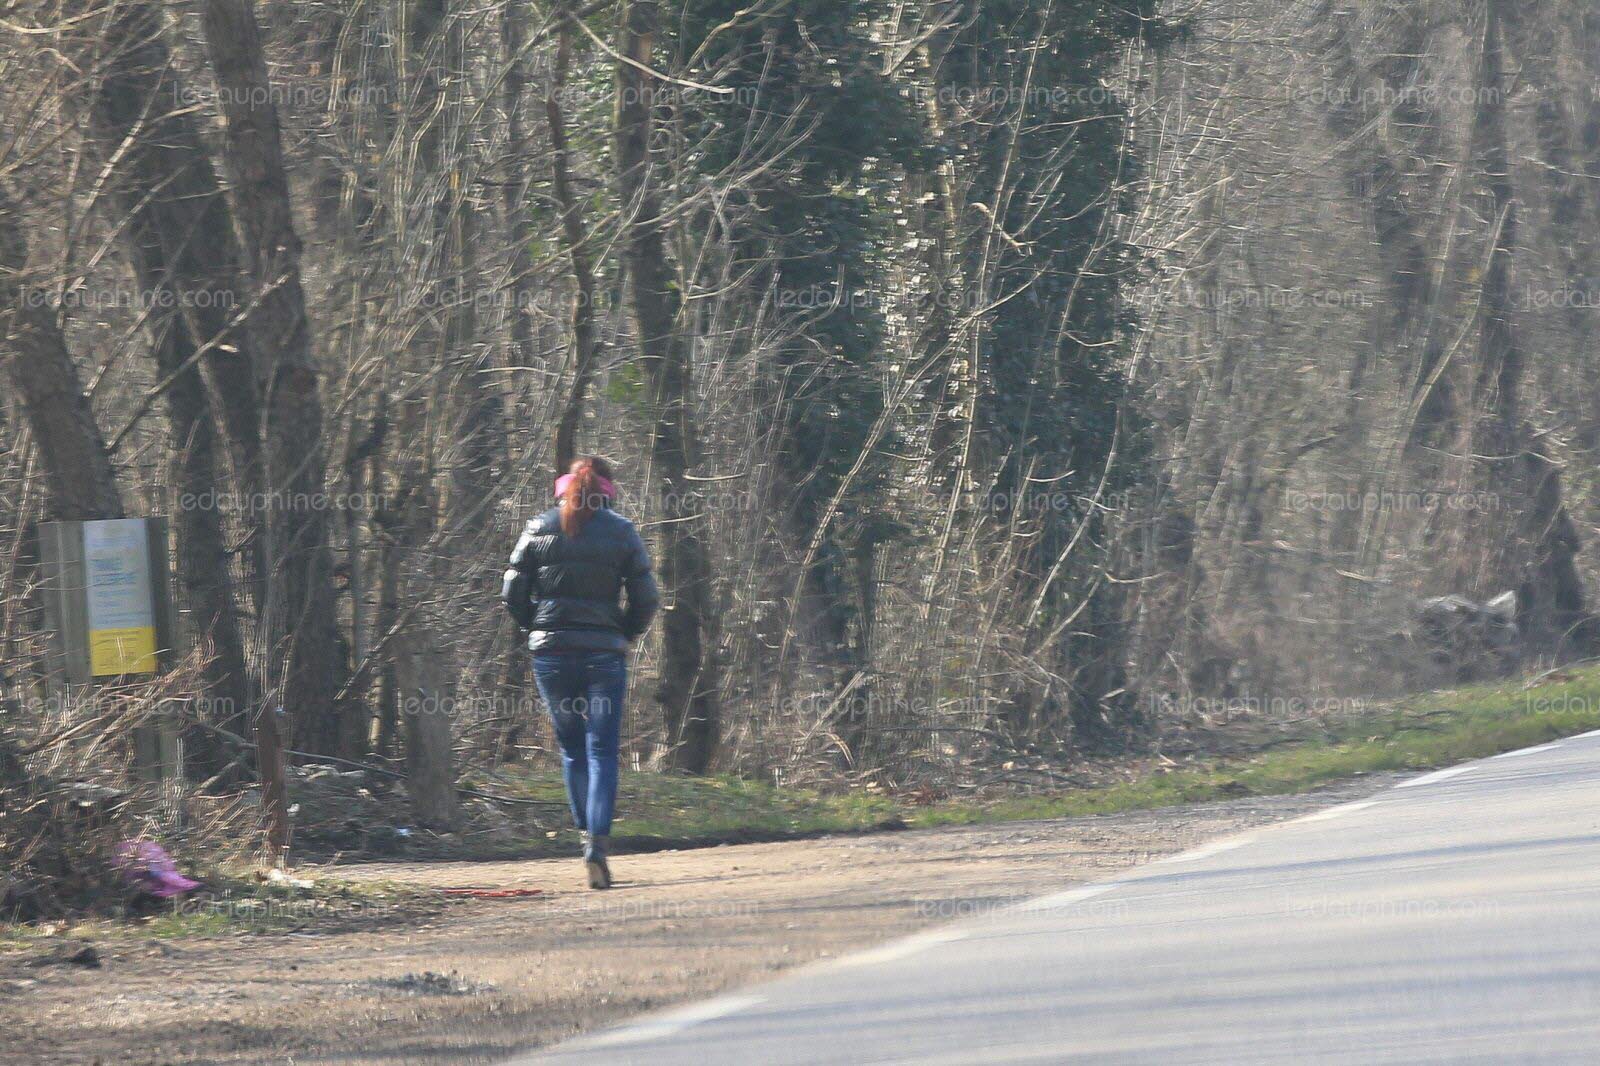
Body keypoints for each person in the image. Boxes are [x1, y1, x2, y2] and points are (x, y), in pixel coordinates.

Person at [502, 457, 659, 888]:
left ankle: (582, 836)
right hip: (603, 656)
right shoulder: (622, 533)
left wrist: (536, 628)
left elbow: (512, 591)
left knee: (572, 749)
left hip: (552, 656)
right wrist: (622, 633)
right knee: (602, 749)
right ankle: (597, 844)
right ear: (609, 490)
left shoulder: (538, 527)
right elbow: (647, 598)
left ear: (563, 489)